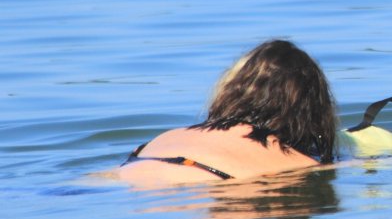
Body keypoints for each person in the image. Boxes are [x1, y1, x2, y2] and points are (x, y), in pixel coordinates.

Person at [117, 40, 337, 187]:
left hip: (121, 178)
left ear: (231, 89)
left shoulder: (168, 137)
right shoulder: (296, 162)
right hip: (205, 185)